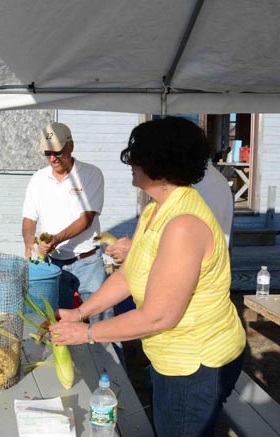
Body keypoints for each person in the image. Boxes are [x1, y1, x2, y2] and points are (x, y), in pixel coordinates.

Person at [48, 116, 246, 436]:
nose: (131, 164)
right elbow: (129, 274)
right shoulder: (157, 209)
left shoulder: (183, 225)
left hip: (196, 365)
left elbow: (158, 317)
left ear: (158, 164)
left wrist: (85, 334)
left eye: (136, 157)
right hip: (171, 358)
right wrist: (81, 312)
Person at [22, 122, 113, 321]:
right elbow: (29, 218)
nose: (52, 159)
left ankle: (109, 352)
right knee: (58, 321)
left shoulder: (90, 174)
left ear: (71, 146)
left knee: (102, 319)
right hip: (54, 264)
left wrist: (56, 238)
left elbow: (86, 218)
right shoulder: (38, 179)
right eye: (47, 154)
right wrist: (30, 242)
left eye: (58, 152)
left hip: (87, 261)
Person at [105, 160, 234, 263]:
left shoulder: (209, 188)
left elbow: (188, 254)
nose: (131, 163)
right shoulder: (155, 204)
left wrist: (134, 251)